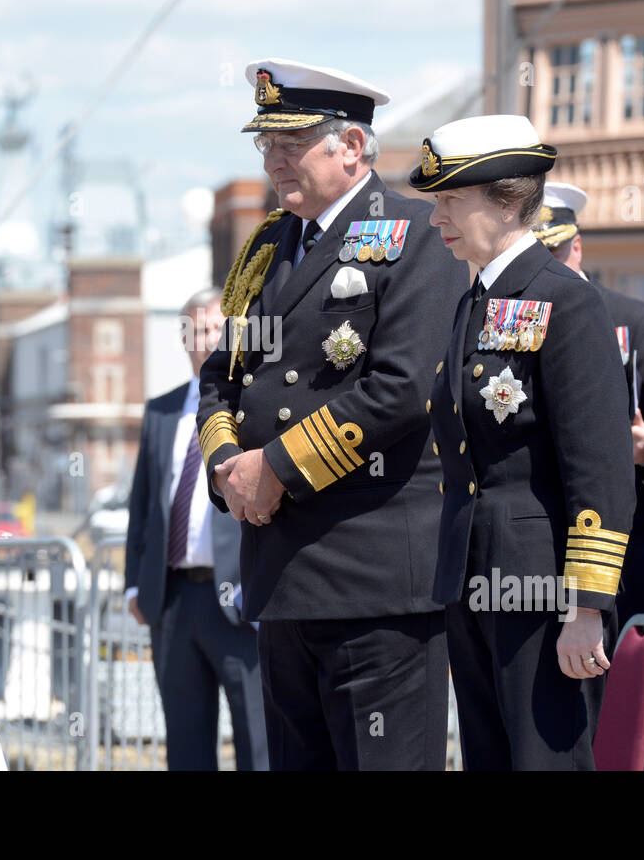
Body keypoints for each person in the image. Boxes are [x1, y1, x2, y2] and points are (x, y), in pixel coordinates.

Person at [196, 58, 470, 770]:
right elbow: (220, 376)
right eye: (267, 145)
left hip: (374, 576)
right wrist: (230, 467)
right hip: (282, 572)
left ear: (351, 147)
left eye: (293, 143)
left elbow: (402, 388)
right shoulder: (264, 249)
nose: (275, 160)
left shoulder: (414, 236)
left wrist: (276, 468)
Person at [413, 115, 636, 770]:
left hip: (541, 589)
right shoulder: (474, 303)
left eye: (451, 201)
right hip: (473, 580)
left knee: (546, 759)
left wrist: (588, 603)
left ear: (507, 202)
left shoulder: (565, 301)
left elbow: (600, 464)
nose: (436, 220)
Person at [534, 182, 644, 622]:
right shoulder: (506, 322)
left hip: (622, 568)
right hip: (530, 568)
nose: (544, 269)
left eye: (553, 253)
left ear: (576, 247)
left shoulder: (636, 322)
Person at [124, 288, 268, 771]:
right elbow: (143, 506)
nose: (206, 339)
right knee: (185, 743)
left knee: (259, 740)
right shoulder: (160, 411)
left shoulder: (251, 407)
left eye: (215, 328)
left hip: (239, 600)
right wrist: (134, 586)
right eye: (196, 330)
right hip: (173, 601)